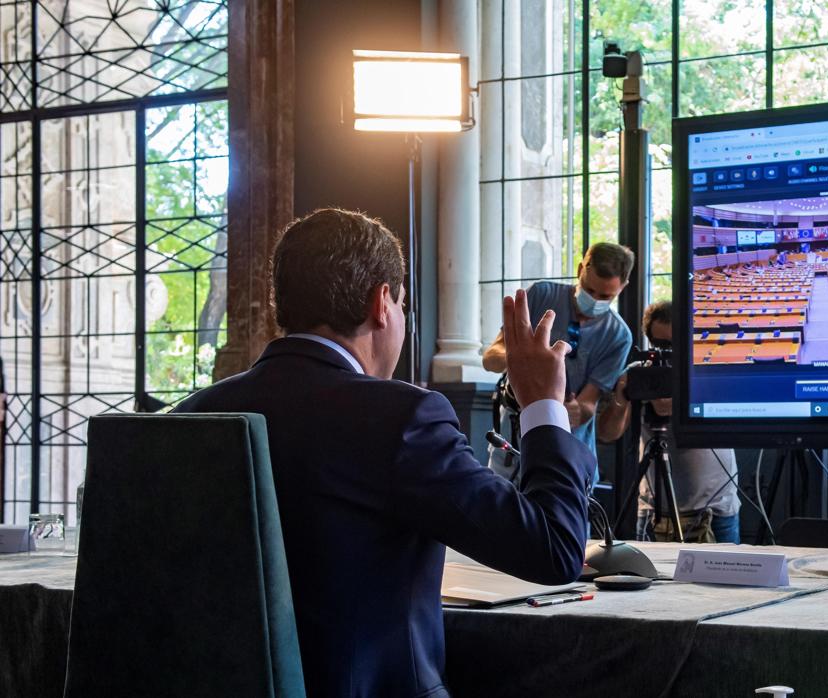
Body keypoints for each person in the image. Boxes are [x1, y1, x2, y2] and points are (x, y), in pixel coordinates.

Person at [174, 208, 593, 698]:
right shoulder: (401, 418)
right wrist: (543, 403)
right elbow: (555, 549)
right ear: (382, 305)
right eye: (402, 303)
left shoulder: (193, 413)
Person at [482, 242, 634, 480]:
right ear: (579, 269)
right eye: (589, 290)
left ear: (623, 287)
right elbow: (491, 358)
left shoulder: (618, 336)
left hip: (569, 453)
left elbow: (587, 406)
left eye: (606, 296)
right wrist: (519, 358)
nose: (594, 301)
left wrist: (575, 411)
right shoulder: (542, 295)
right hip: (512, 444)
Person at [598, 301, 741, 544]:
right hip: (654, 510)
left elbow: (735, 418)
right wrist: (621, 398)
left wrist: (681, 403)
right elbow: (607, 434)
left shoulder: (708, 371)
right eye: (660, 346)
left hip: (715, 507)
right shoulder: (639, 373)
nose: (668, 355)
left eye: (675, 345)